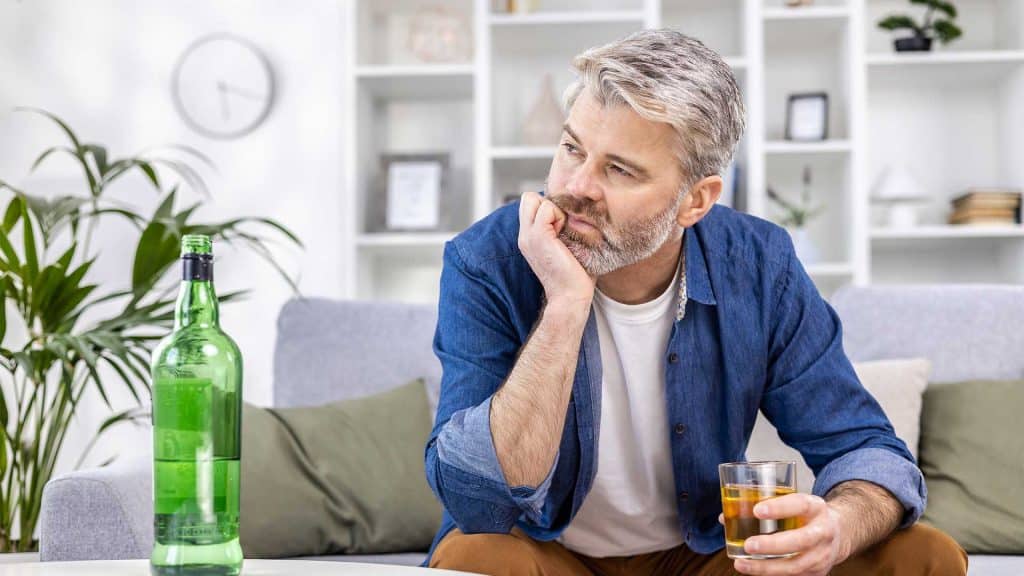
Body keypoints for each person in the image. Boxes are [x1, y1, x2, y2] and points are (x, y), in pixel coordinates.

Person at [423, 29, 967, 576]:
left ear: (696, 200)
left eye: (620, 169)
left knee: (923, 556)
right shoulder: (488, 259)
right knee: (474, 560)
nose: (575, 186)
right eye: (572, 149)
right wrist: (565, 303)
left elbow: (861, 445)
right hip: (547, 552)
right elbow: (478, 502)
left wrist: (839, 527)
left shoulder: (758, 265)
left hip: (708, 556)